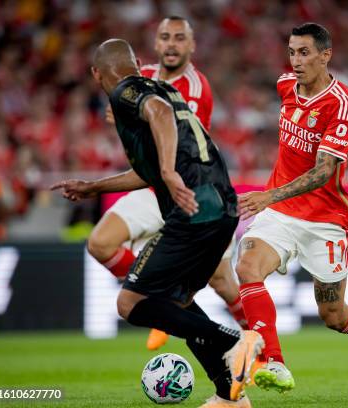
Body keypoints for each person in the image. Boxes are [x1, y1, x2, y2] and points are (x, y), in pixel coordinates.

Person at [51, 39, 262, 407]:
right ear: (136, 61)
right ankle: (229, 396)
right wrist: (93, 188)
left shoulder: (125, 91)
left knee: (132, 303)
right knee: (176, 305)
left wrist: (168, 171)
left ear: (96, 73)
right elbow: (145, 169)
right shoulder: (163, 86)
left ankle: (236, 341)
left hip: (194, 211)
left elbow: (160, 115)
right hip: (220, 207)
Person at [235, 23, 348, 393]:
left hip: (324, 219)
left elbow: (324, 171)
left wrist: (268, 195)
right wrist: (273, 199)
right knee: (247, 267)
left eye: (304, 53)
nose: (296, 61)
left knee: (333, 315)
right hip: (280, 212)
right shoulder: (286, 86)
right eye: (292, 52)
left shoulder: (342, 103)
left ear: (325, 55)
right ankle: (273, 362)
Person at [86, 16, 247, 353]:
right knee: (100, 243)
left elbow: (180, 137)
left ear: (191, 45)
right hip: (155, 185)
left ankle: (261, 347)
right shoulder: (140, 77)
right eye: (165, 37)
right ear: (155, 44)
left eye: (179, 38)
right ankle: (156, 297)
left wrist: (167, 169)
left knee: (220, 280)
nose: (171, 44)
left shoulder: (195, 86)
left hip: (183, 185)